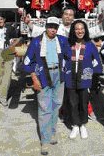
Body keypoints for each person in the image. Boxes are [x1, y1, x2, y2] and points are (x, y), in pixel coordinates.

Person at [23, 16, 68, 155]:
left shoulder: (62, 40)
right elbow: (26, 63)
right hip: (42, 76)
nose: (52, 30)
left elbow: (68, 57)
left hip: (58, 76)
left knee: (56, 105)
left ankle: (52, 132)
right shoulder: (37, 42)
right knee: (44, 108)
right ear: (46, 26)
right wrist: (34, 78)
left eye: (55, 27)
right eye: (50, 27)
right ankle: (45, 140)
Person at [64, 20, 103, 139]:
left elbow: (96, 62)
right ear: (73, 31)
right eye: (77, 29)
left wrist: (95, 79)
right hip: (70, 78)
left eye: (82, 29)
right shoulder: (67, 44)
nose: (79, 31)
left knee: (84, 102)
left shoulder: (90, 45)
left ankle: (83, 125)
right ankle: (75, 125)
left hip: (85, 78)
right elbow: (63, 61)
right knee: (72, 102)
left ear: (85, 30)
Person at [0, 14, 18, 106]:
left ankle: (3, 96)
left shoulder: (10, 28)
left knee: (7, 73)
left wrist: (12, 42)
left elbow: (15, 39)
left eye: (1, 19)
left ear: (4, 19)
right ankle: (0, 90)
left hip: (8, 51)